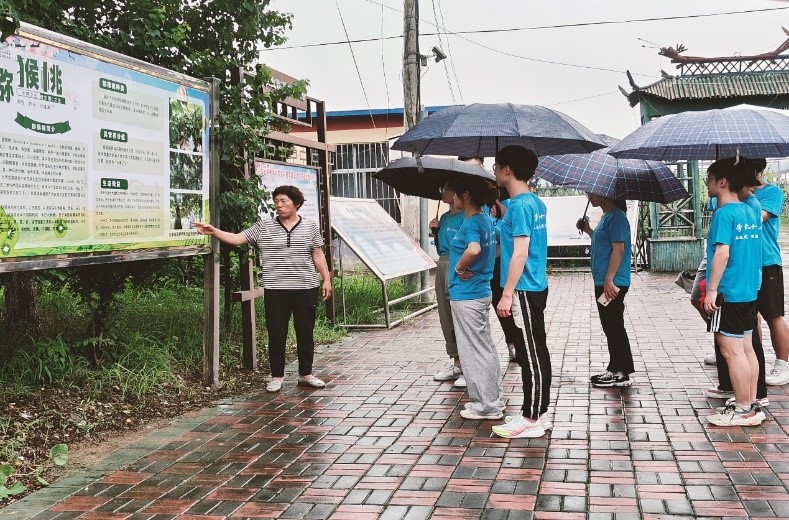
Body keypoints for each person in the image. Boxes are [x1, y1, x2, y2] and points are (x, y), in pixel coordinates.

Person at [193, 185, 333, 393]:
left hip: (305, 287)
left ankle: (306, 374)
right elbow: (237, 238)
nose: (279, 205)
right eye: (276, 201)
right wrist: (214, 231)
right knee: (276, 333)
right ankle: (276, 377)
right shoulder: (263, 226)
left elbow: (318, 254)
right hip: (276, 289)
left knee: (305, 333)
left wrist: (326, 279)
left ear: (296, 203)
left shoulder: (310, 226)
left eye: (283, 201)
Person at [489, 145, 551, 439]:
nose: (493, 171)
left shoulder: (520, 207)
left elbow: (520, 253)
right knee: (535, 349)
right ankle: (537, 411)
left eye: (496, 166)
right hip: (535, 284)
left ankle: (531, 418)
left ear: (507, 170)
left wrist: (506, 294)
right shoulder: (534, 202)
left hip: (524, 288)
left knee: (531, 354)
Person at [703, 158, 764, 427]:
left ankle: (742, 410)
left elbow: (722, 254)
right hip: (748, 291)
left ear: (722, 182)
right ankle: (750, 403)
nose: (706, 184)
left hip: (728, 293)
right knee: (747, 349)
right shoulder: (750, 210)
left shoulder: (724, 215)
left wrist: (711, 291)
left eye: (709, 179)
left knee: (731, 352)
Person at [447, 175, 503, 420]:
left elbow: (474, 249)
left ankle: (487, 406)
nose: (453, 198)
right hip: (480, 291)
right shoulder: (486, 220)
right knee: (485, 348)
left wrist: (460, 267)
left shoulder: (471, 223)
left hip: (467, 294)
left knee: (473, 352)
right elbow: (497, 245)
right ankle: (492, 400)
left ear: (465, 195)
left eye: (455, 193)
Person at [576, 195, 634, 387]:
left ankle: (619, 372)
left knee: (613, 323)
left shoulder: (616, 217)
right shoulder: (607, 216)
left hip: (612, 283)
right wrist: (587, 230)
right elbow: (603, 243)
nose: (589, 195)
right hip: (605, 281)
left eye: (591, 192)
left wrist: (609, 280)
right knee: (610, 323)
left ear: (604, 193)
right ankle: (617, 368)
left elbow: (619, 250)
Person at [751, 158, 789, 386]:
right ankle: (750, 355)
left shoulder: (773, 193)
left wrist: (744, 194)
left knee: (773, 314)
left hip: (767, 261)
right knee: (748, 313)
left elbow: (757, 218)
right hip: (744, 262)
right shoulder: (736, 192)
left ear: (757, 170)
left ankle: (783, 363)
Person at [429, 180, 466, 388]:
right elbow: (439, 248)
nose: (443, 192)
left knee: (459, 313)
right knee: (445, 315)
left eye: (448, 189)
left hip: (457, 263)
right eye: (442, 188)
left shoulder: (465, 217)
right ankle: (456, 362)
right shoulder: (443, 218)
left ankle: (467, 366)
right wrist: (435, 231)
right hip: (442, 263)